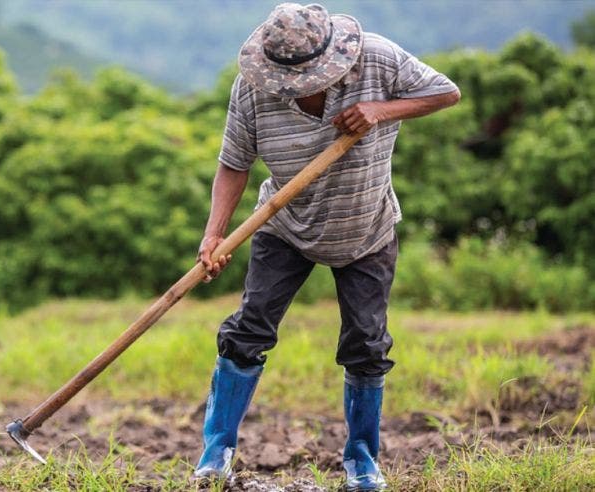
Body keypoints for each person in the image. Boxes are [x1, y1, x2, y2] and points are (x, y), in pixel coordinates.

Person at [193, 3, 460, 490]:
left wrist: (381, 110)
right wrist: (214, 234)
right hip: (284, 225)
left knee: (366, 344)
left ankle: (362, 462)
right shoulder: (253, 89)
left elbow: (446, 92)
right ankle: (215, 455)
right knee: (248, 330)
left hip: (366, 228)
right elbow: (234, 162)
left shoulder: (378, 59)